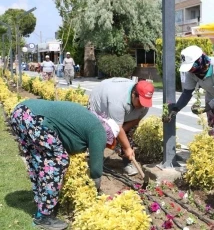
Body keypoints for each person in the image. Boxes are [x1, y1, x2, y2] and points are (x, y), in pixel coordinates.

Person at [10, 99, 119, 230]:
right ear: (110, 134)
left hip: (21, 112)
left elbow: (67, 138)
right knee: (58, 160)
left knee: (39, 161)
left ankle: (41, 206)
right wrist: (95, 190)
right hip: (36, 119)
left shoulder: (89, 119)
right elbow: (96, 169)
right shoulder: (99, 130)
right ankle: (44, 217)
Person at [164, 45, 214, 153]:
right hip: (213, 94)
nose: (190, 69)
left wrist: (206, 108)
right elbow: (187, 92)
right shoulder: (191, 72)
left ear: (200, 60)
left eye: (192, 66)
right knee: (213, 128)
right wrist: (176, 108)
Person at [88, 78, 154, 176]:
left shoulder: (144, 103)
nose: (142, 106)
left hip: (119, 111)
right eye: (140, 102)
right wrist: (126, 147)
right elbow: (117, 127)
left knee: (126, 136)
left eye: (144, 103)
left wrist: (124, 141)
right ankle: (96, 161)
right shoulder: (117, 100)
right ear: (133, 94)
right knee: (101, 133)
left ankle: (127, 163)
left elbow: (135, 120)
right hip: (100, 106)